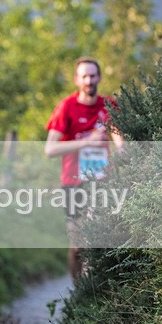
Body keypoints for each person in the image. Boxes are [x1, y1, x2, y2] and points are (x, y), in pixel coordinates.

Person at [44, 57, 123, 281]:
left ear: (99, 77)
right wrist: (86, 142)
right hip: (73, 182)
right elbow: (50, 149)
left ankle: (97, 295)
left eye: (92, 75)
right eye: (84, 76)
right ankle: (77, 292)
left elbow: (118, 136)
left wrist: (122, 149)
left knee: (99, 243)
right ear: (77, 79)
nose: (89, 80)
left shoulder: (108, 105)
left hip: (103, 181)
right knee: (77, 245)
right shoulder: (66, 107)